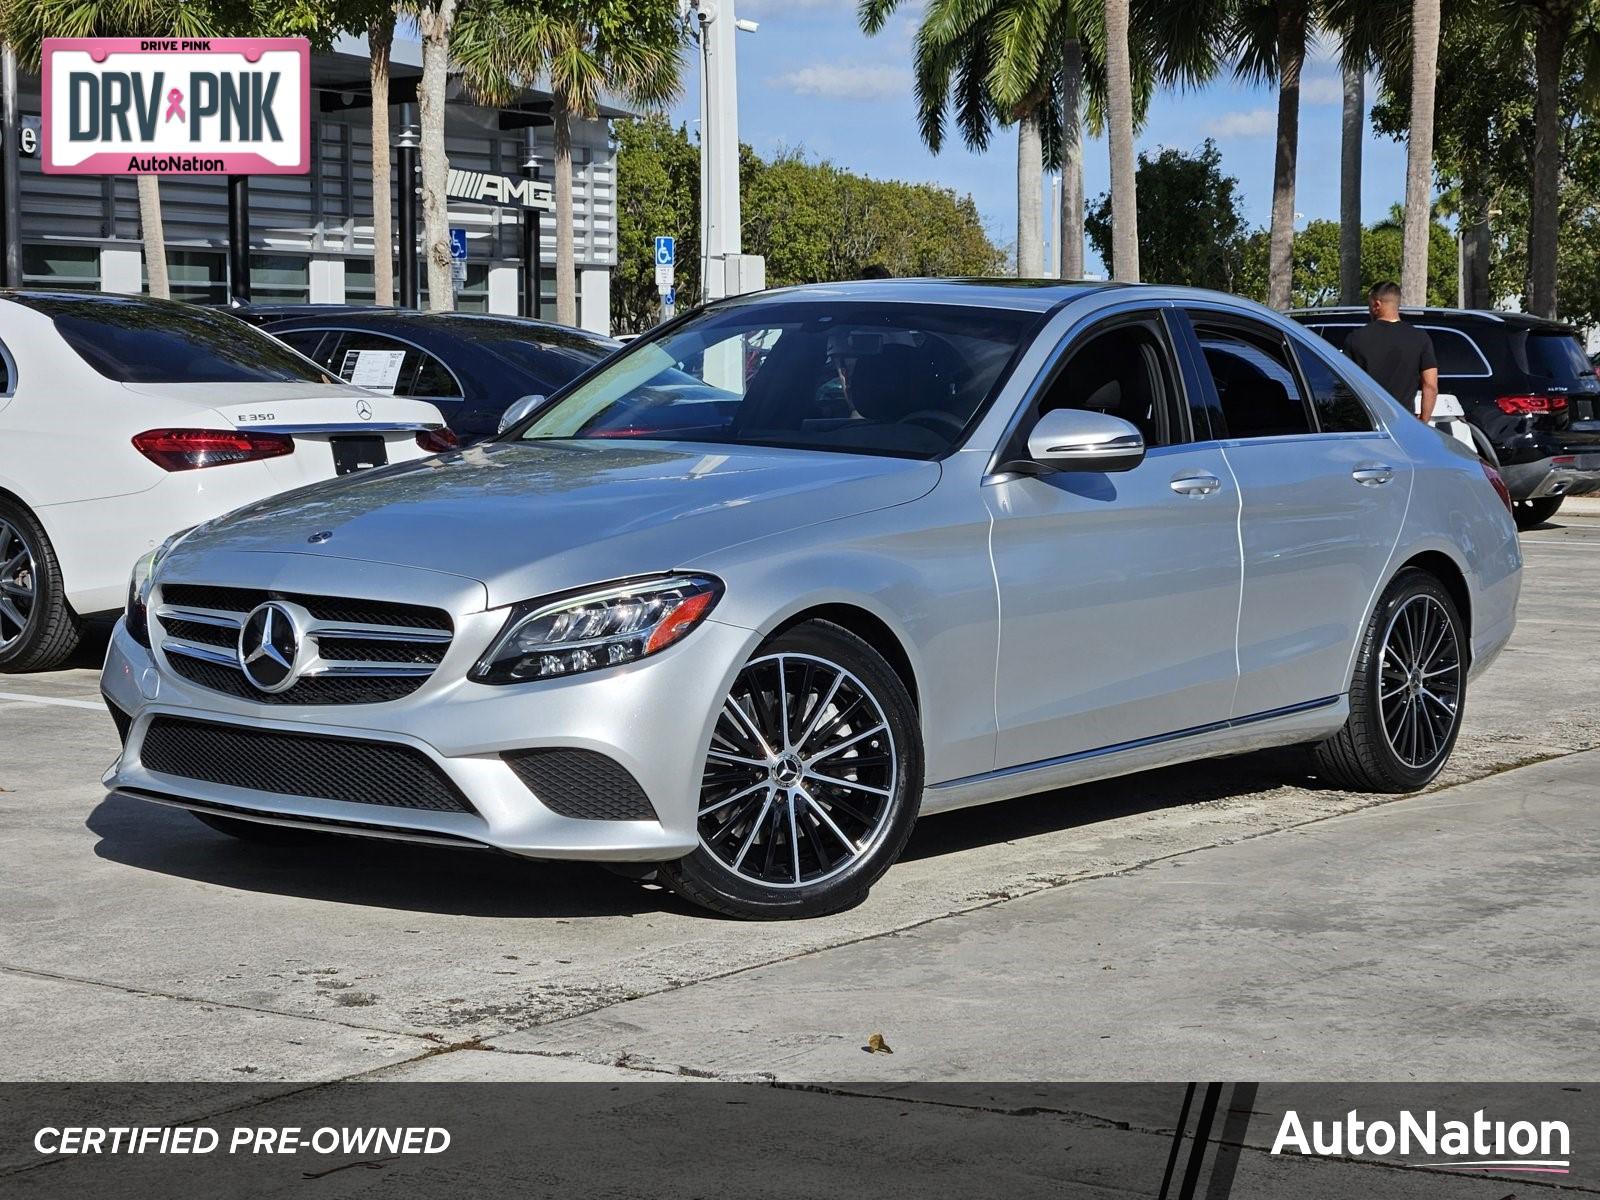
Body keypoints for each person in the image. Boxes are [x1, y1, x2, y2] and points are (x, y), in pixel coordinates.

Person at [1341, 280, 1438, 422]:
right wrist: (1423, 420)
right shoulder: (1420, 338)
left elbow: (1345, 386)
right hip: (1405, 422)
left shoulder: (1356, 338)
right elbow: (1430, 386)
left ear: (1377, 304)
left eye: (1369, 305)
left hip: (1369, 422)